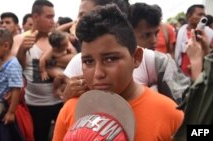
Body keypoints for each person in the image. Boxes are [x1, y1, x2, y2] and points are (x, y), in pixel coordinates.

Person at [52, 4, 184, 141]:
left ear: (136, 57)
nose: (98, 74)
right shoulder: (70, 109)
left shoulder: (170, 114)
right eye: (88, 61)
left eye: (110, 59)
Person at [62, 0, 190, 103]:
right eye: (89, 61)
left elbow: (190, 111)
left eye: (84, 16)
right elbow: (67, 118)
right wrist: (68, 99)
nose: (98, 74)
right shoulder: (77, 62)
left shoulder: (155, 62)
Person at [16, 1, 64, 140]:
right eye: (49, 17)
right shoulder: (20, 39)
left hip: (59, 101)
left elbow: (75, 58)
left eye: (53, 17)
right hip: (35, 104)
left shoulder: (56, 39)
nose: (53, 21)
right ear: (36, 17)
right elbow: (16, 68)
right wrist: (22, 51)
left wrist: (54, 57)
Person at [175, 4, 213, 77]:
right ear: (189, 16)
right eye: (200, 14)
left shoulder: (210, 33)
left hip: (202, 75)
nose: (203, 17)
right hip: (183, 75)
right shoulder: (181, 32)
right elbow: (178, 53)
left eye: (204, 15)